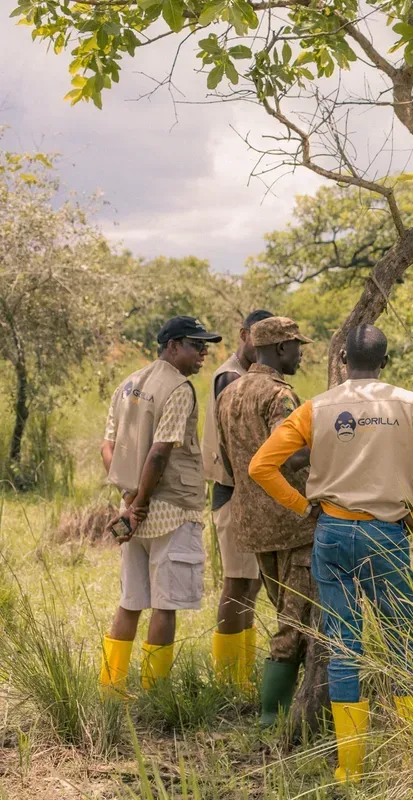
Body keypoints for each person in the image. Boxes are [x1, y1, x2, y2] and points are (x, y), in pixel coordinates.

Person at [249, 323, 413, 784]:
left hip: (331, 532)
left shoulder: (316, 407)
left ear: (343, 360)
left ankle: (350, 768)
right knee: (402, 643)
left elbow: (261, 465)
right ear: (385, 362)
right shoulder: (410, 404)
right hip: (388, 533)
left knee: (344, 646)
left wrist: (301, 505)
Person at [99, 316, 222, 694]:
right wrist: (141, 502)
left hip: (133, 511)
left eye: (205, 346)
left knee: (131, 600)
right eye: (195, 345)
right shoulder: (179, 388)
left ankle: (111, 687)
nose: (203, 353)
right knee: (165, 605)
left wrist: (129, 499)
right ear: (172, 346)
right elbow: (159, 453)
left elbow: (107, 446)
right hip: (170, 511)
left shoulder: (128, 383)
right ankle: (155, 692)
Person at [216, 316, 318, 726]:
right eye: (296, 346)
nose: (300, 354)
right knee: (294, 623)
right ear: (279, 348)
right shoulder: (280, 396)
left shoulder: (229, 392)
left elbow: (228, 460)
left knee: (285, 611)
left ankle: (277, 711)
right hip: (293, 523)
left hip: (252, 523)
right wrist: (327, 443)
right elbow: (289, 455)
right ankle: (272, 719)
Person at [202, 307, 274, 687]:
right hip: (234, 490)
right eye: (256, 337)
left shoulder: (250, 376)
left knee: (251, 583)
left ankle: (243, 673)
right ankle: (228, 679)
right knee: (236, 583)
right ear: (243, 334)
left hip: (249, 491)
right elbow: (237, 445)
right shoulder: (230, 377)